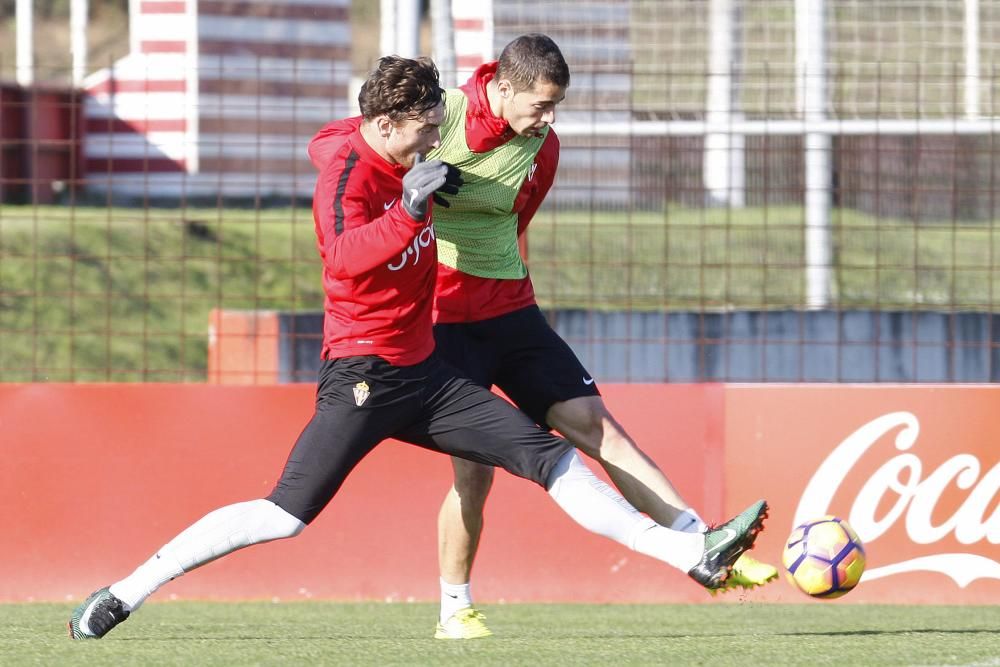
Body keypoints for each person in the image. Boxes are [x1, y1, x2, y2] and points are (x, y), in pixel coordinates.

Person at [68, 55, 768, 641]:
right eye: (428, 129)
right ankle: (126, 592)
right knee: (282, 516)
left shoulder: (422, 161)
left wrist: (429, 187)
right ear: (384, 124)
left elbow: (436, 186)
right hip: (364, 378)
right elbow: (343, 258)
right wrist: (408, 208)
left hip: (429, 375)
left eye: (440, 126)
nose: (437, 139)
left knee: (551, 456)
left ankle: (690, 553)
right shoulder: (350, 174)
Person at [310, 34, 778, 641]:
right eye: (541, 104)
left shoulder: (542, 146)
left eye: (556, 106)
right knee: (473, 474)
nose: (549, 119)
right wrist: (417, 183)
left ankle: (703, 546)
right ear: (502, 88)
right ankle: (456, 606)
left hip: (510, 306)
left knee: (595, 423)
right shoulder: (439, 112)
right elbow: (331, 145)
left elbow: (514, 220)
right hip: (443, 317)